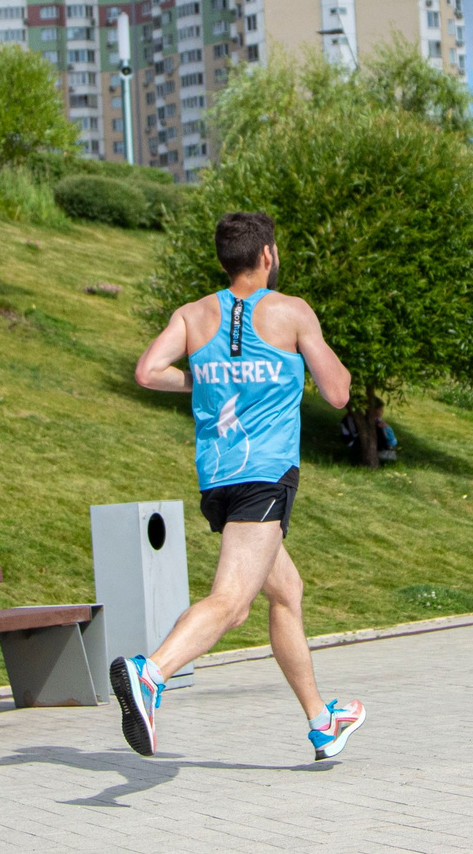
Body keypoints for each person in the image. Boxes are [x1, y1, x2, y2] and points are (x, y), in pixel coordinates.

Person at [109, 210, 367, 763]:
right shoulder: (291, 313)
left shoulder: (193, 314)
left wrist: (203, 379)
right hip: (264, 479)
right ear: (268, 255)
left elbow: (148, 372)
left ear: (226, 258)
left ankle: (322, 722)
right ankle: (149, 674)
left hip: (218, 481)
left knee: (286, 591)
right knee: (231, 603)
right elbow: (339, 394)